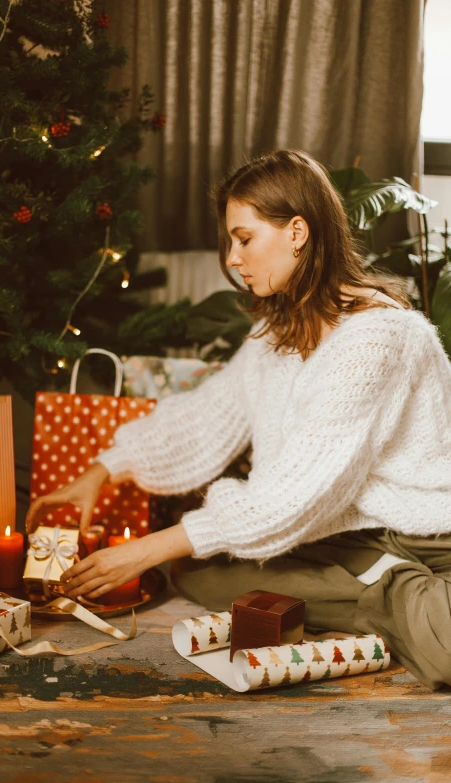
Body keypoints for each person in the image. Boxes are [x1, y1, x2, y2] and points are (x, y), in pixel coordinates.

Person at [26, 149, 451, 690]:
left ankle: (394, 592)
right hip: (338, 530)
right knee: (196, 569)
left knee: (443, 656)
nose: (232, 257)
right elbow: (209, 414)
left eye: (244, 238)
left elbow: (293, 494)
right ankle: (385, 603)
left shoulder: (380, 336)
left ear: (297, 231)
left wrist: (146, 548)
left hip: (417, 532)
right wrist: (102, 471)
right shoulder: (279, 328)